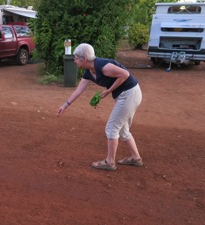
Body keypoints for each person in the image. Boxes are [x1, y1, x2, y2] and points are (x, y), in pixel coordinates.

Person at [56, 43, 143, 171]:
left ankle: (110, 162)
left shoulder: (102, 66)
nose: (74, 60)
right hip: (127, 95)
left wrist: (108, 91)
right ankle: (136, 158)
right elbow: (78, 91)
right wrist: (65, 105)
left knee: (112, 127)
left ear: (84, 59)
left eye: (76, 58)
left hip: (129, 94)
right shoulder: (89, 71)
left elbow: (125, 74)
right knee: (122, 130)